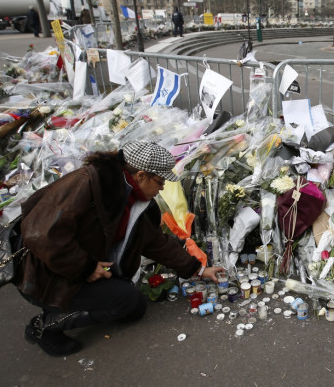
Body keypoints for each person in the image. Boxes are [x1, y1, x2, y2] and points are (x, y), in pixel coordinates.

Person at [17, 141, 225, 356]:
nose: (162, 188)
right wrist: (86, 268)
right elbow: (42, 234)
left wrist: (198, 269)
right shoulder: (86, 184)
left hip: (81, 266)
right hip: (47, 274)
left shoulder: (134, 198)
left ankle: (75, 303)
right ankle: (43, 326)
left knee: (134, 309)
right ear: (141, 175)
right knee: (124, 300)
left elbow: (155, 242)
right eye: (160, 181)